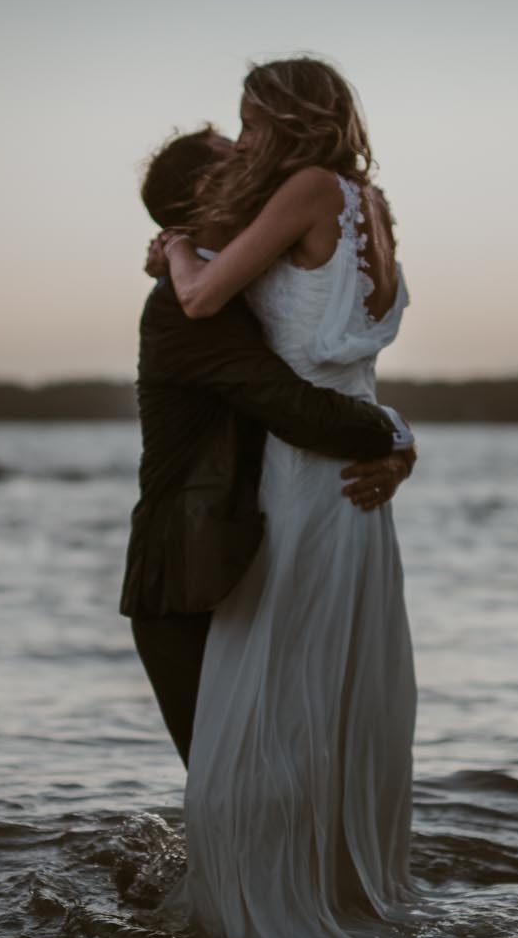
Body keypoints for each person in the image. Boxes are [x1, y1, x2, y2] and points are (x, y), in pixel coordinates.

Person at [150, 57, 427, 938]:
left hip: (308, 477)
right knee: (327, 694)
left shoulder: (308, 187)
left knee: (271, 701)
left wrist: (176, 249)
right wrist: (396, 437)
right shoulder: (369, 206)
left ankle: (265, 915)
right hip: (359, 488)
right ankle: (337, 884)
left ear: (286, 119)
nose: (246, 139)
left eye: (251, 119)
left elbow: (200, 295)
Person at [124, 124, 417, 769]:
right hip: (190, 587)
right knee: (236, 789)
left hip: (247, 563)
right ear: (209, 189)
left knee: (279, 778)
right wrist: (397, 437)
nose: (259, 156)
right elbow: (296, 411)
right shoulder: (187, 309)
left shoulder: (249, 282)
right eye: (238, 150)